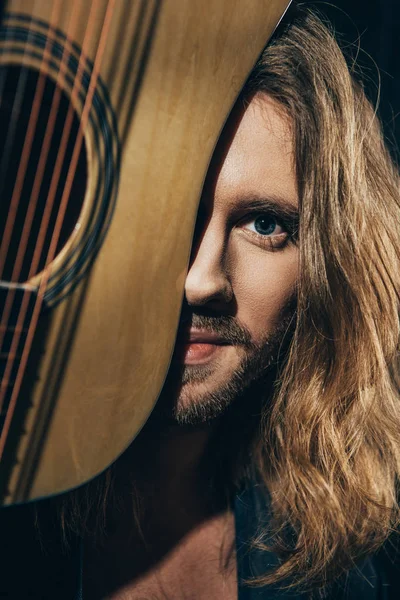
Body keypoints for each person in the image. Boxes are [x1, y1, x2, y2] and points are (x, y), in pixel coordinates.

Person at [2, 4, 400, 599]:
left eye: (265, 224)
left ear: (323, 264)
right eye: (176, 214)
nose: (202, 280)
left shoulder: (364, 557)